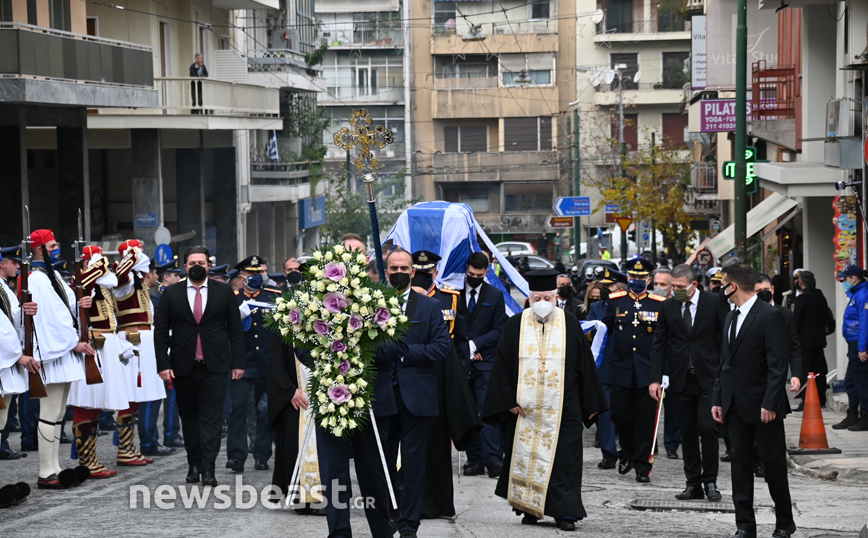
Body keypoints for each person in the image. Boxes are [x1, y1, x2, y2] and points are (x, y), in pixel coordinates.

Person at [482, 269, 608, 530]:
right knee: (527, 459)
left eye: (547, 298)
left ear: (555, 299)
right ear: (529, 299)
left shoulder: (570, 323)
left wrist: (592, 405)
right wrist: (508, 400)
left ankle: (565, 513)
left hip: (564, 408)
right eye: (537, 298)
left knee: (565, 462)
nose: (542, 303)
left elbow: (584, 366)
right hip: (525, 411)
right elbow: (502, 367)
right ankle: (530, 508)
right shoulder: (515, 324)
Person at [712, 263, 796, 538]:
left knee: (773, 466)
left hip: (764, 407)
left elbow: (777, 364)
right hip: (734, 405)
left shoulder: (769, 316)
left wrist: (771, 403)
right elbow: (724, 362)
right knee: (739, 467)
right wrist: (718, 399)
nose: (721, 286)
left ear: (733, 286)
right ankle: (745, 526)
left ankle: (784, 522)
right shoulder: (729, 316)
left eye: (723, 282)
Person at [375, 249, 452, 537]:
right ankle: (389, 515)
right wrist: (387, 350)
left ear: (412, 271)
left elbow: (442, 348)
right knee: (382, 463)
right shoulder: (372, 305)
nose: (398, 272)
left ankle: (409, 524)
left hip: (416, 399)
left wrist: (406, 352)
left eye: (403, 267)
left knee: (414, 464)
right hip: (383, 395)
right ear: (386, 270)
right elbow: (365, 348)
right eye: (393, 267)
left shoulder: (428, 307)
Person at [154, 246, 245, 487]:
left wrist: (238, 363)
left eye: (201, 262)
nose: (196, 266)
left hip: (215, 366)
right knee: (190, 419)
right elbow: (161, 332)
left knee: (212, 420)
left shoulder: (224, 292)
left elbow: (235, 330)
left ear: (208, 265)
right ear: (185, 267)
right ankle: (193, 464)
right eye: (192, 262)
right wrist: (163, 364)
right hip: (182, 366)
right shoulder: (171, 294)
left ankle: (209, 468)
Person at [409, 250, 482, 520]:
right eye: (419, 271)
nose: (425, 275)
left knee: (437, 441)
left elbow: (461, 342)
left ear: (436, 273)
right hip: (411, 369)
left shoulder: (450, 297)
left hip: (442, 375)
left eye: (429, 272)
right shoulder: (401, 298)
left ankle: (437, 502)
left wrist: (460, 379)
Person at [649, 264, 728, 502]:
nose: (675, 291)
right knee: (688, 433)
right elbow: (659, 343)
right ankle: (693, 483)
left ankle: (711, 481)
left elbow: (725, 338)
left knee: (708, 427)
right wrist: (655, 379)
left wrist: (726, 375)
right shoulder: (669, 306)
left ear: (694, 285)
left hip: (709, 378)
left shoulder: (714, 303)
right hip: (680, 379)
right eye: (673, 286)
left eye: (680, 287)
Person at [27, 229, 93, 489]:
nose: (57, 250)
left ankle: (54, 466)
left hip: (64, 352)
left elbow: (66, 309)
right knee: (49, 411)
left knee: (58, 413)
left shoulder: (52, 276)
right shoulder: (37, 279)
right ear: (40, 249)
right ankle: (45, 471)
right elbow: (50, 320)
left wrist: (82, 304)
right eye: (52, 246)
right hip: (54, 352)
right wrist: (73, 342)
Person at [67, 246, 136, 479]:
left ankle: (91, 459)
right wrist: (96, 264)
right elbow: (83, 285)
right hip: (92, 345)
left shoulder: (99, 284)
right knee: (86, 402)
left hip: (105, 344)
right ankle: (87, 461)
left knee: (96, 404)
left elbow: (120, 280)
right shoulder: (81, 281)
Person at [602, 258, 666, 483]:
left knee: (646, 420)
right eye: (633, 277)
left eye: (641, 278)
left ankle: (642, 465)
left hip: (648, 372)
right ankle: (627, 451)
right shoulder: (614, 301)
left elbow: (665, 339)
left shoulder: (660, 304)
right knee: (619, 414)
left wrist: (663, 373)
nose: (636, 281)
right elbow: (602, 330)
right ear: (627, 278)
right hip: (621, 369)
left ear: (649, 279)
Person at [112, 240, 168, 465]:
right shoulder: (126, 280)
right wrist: (132, 254)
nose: (142, 256)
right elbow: (120, 276)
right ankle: (125, 449)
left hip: (143, 341)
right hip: (132, 342)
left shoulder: (138, 282)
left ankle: (129, 447)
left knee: (137, 398)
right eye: (139, 252)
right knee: (130, 396)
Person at [456, 252, 508, 479]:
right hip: (461, 363)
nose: (474, 278)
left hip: (485, 362)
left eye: (479, 275)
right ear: (466, 270)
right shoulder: (454, 293)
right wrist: (464, 350)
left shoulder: (495, 295)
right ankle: (474, 460)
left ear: (486, 272)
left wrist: (474, 346)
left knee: (487, 412)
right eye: (470, 274)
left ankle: (493, 459)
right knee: (466, 413)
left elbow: (499, 329)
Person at [226, 256, 279, 473]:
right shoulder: (233, 300)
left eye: (259, 274)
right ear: (240, 278)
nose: (255, 278)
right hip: (242, 365)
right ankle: (237, 457)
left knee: (264, 412)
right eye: (250, 274)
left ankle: (261, 455)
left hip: (267, 365)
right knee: (238, 411)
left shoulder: (273, 298)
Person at [267, 331, 322, 514]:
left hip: (326, 392)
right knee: (293, 443)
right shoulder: (286, 320)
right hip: (296, 393)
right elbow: (276, 362)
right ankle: (300, 498)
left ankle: (325, 497)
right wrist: (288, 390)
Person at [140, 257, 185, 454]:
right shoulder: (151, 297)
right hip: (149, 350)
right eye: (155, 272)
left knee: (162, 395)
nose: (157, 276)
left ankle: (161, 437)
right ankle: (149, 442)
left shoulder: (149, 295)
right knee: (151, 396)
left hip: (158, 348)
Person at [585, 269, 627, 470]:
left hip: (628, 367)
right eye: (603, 286)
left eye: (609, 287)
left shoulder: (629, 306)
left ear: (620, 289)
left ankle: (630, 451)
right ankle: (609, 453)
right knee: (606, 413)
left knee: (628, 414)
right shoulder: (597, 309)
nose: (604, 290)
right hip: (605, 368)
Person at [0, 248, 35, 461]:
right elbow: (3, 327)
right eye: (14, 262)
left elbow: (11, 321)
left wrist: (26, 312)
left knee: (3, 418)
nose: (17, 266)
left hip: (7, 358)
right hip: (5, 358)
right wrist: (17, 355)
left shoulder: (5, 287)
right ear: (3, 263)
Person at [650, 266, 680, 459]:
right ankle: (652, 442)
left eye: (663, 284)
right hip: (652, 359)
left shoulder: (678, 304)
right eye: (656, 284)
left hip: (674, 359)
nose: (659, 287)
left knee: (673, 406)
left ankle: (672, 444)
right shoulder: (647, 304)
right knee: (651, 403)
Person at [833, 265, 868, 431]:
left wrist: (862, 348)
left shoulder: (863, 294)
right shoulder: (857, 293)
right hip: (854, 344)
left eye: (845, 279)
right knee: (851, 381)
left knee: (861, 382)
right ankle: (853, 415)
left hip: (859, 345)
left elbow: (865, 322)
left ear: (854, 279)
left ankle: (865, 417)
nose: (843, 282)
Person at [791, 271, 829, 409]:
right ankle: (821, 398)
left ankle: (806, 399)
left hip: (804, 341)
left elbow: (796, 321)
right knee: (820, 370)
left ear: (800, 282)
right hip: (819, 339)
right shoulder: (820, 297)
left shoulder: (802, 299)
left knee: (805, 371)